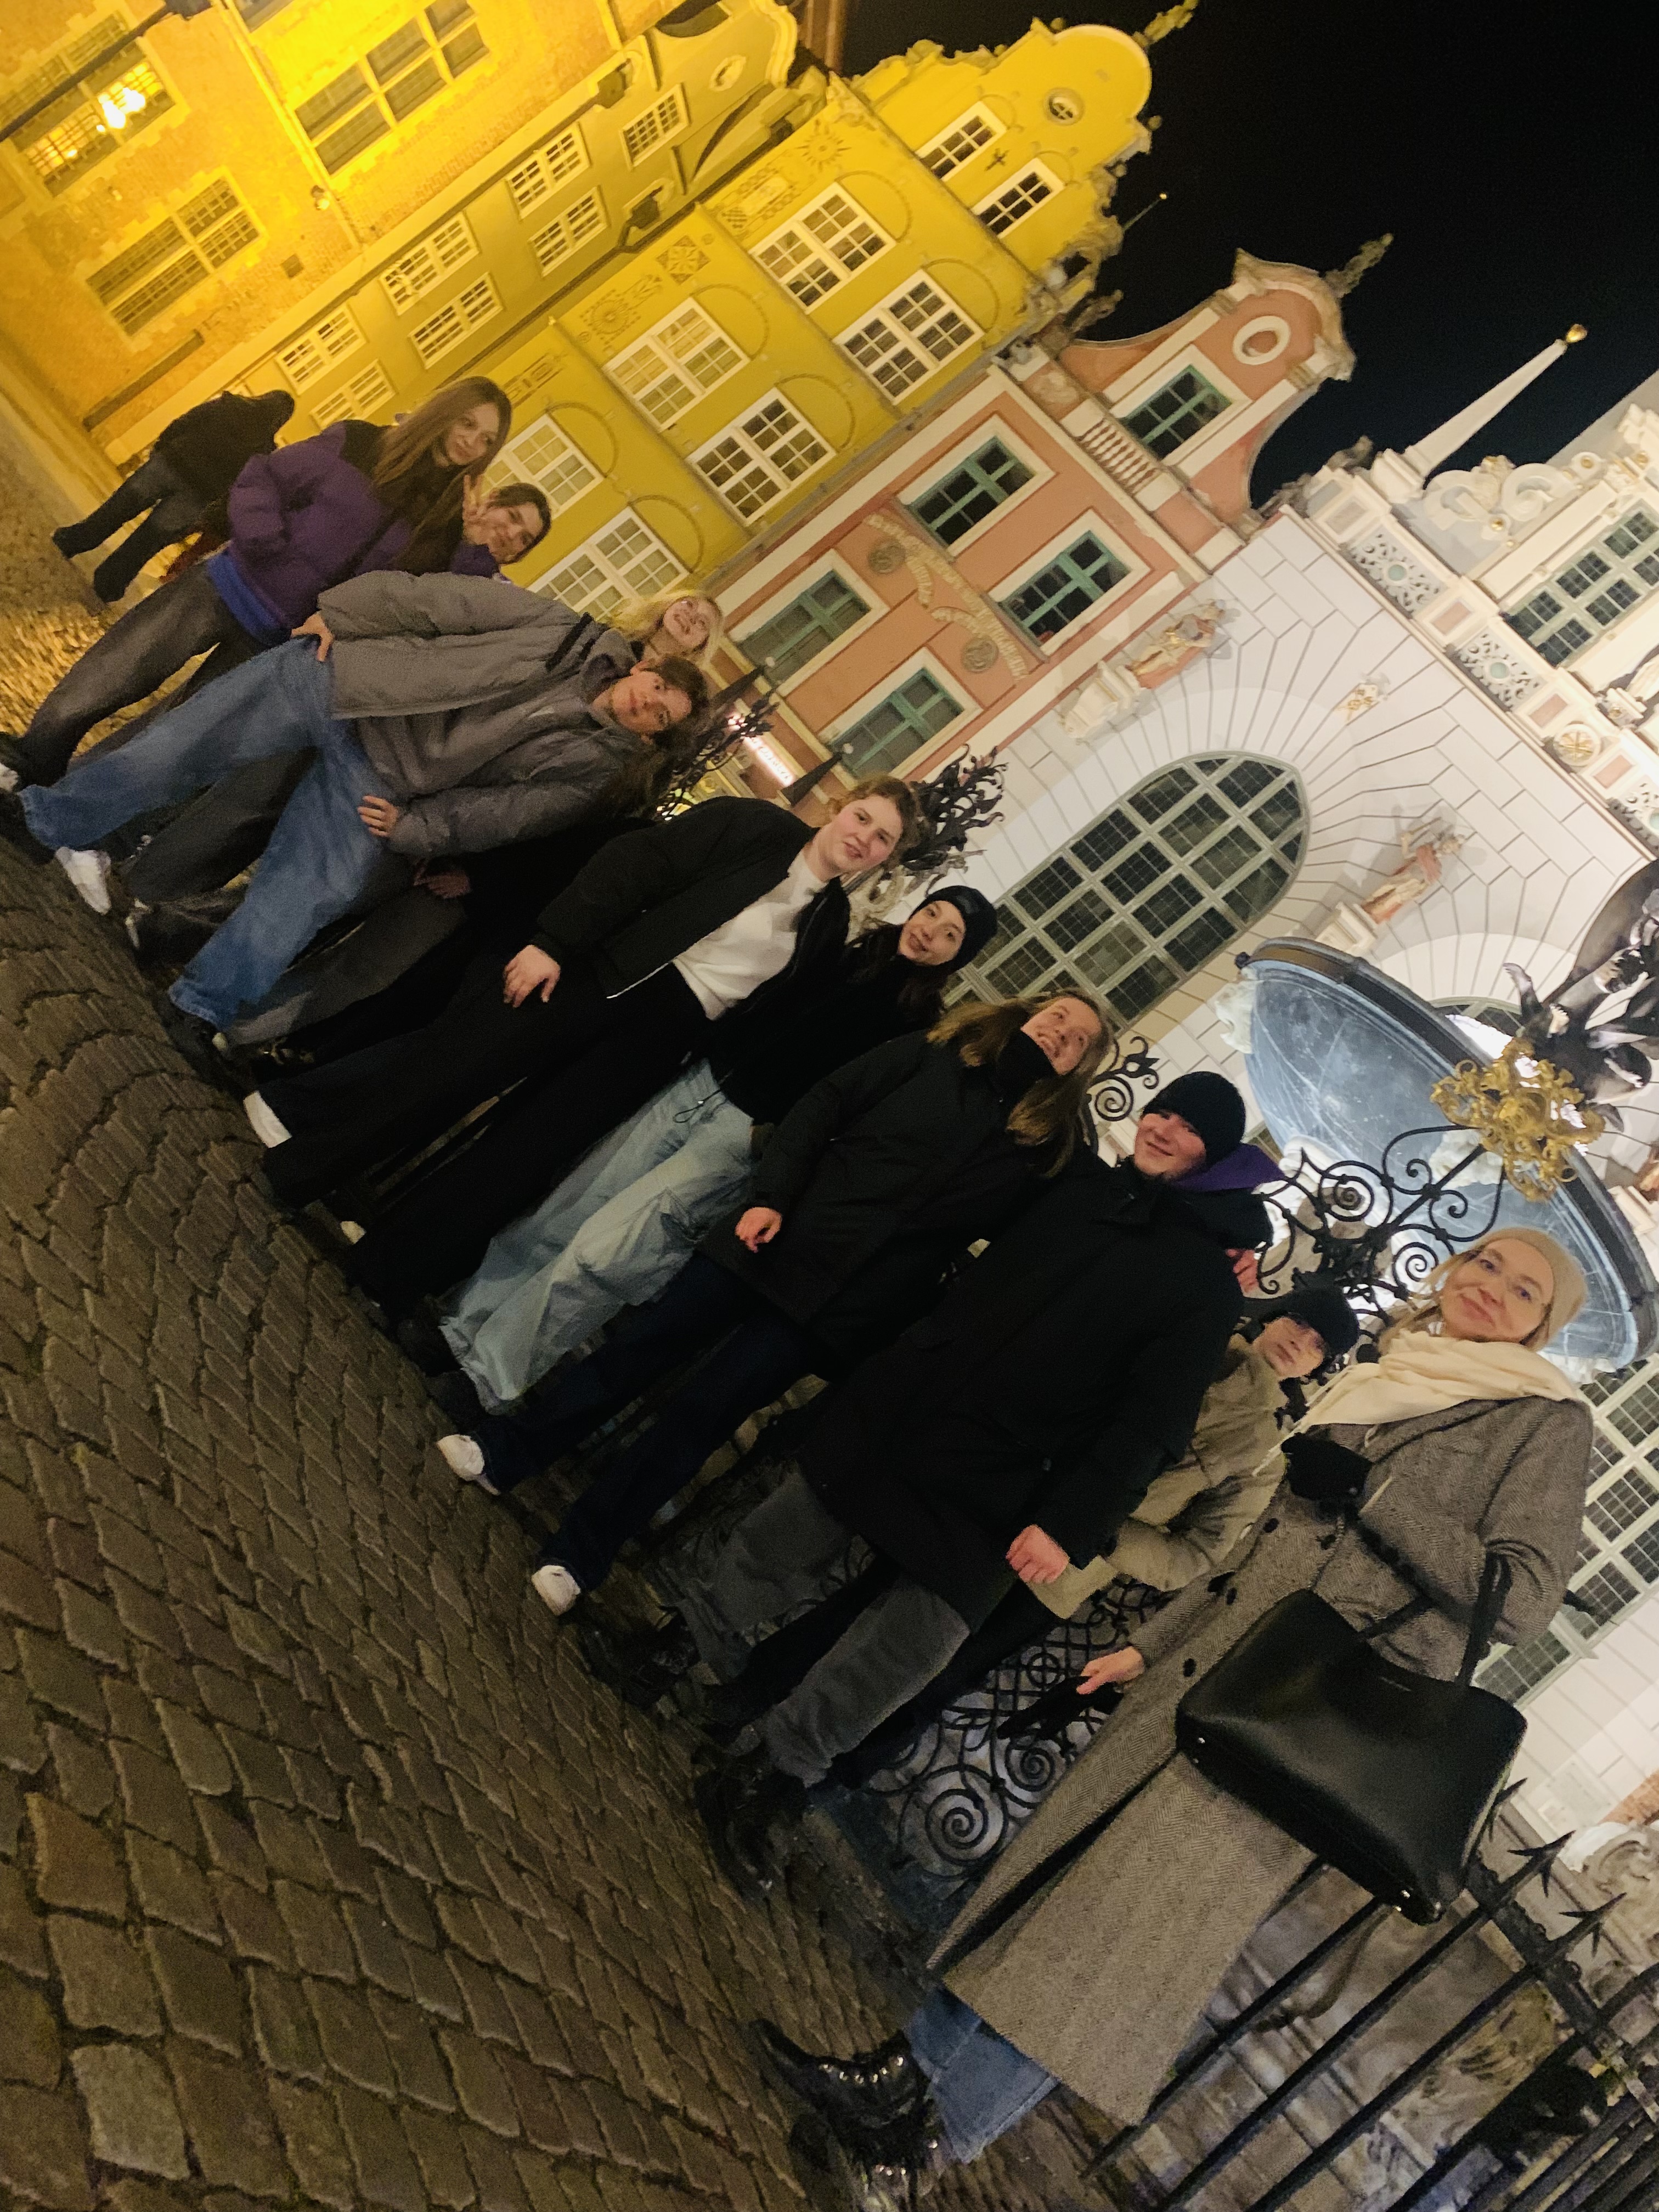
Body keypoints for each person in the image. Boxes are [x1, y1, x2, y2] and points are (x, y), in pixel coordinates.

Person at [749, 1227, 1593, 2207]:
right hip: (1209, 1672)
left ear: (1541, 1327)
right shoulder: (1398, 1370)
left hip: (1300, 1720)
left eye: (1522, 1290)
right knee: (1049, 1884)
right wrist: (1154, 1645)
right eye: (1486, 1264)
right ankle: (900, 2073)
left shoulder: (1541, 1420)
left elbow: (1521, 1597)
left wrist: (1379, 1493)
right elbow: (1269, 1547)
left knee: (1117, 1946)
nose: (1491, 1288)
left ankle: (927, 2142)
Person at [675, 1071, 1273, 1895]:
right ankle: (677, 1644)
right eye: (1161, 1110)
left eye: (1188, 1127)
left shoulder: (1207, 1284)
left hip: (1017, 1480)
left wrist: (1071, 1524)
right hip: (919, 1404)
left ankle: (772, 1774)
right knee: (788, 1535)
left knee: (910, 1649)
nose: (1163, 1129)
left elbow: (1153, 1422)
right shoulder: (1081, 1188)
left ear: (1217, 1157)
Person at [436, 992, 1108, 1618]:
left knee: (698, 1419)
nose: (1060, 1033)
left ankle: (580, 1554)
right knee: (633, 1355)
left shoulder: (1042, 1150)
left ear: (1079, 1071)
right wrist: (771, 1196)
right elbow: (826, 1103)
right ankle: (506, 1453)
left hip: (835, 1306)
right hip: (771, 1236)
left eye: (1078, 1040)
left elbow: (1063, 1227)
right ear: (1029, 1010)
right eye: (1058, 1015)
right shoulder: (936, 1053)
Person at [651, 1279, 1359, 1765]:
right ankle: (747, 1699)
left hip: (1059, 1573)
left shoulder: (1262, 1455)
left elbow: (1193, 1555)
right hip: (1003, 1511)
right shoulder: (1189, 1349)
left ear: (1317, 1369)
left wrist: (1100, 1530)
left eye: (1317, 1346)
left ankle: (795, 1776)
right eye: (1301, 1322)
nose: (1300, 1342)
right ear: (1278, 1314)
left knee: (928, 1681)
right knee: (858, 1611)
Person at [0, 571, 706, 1055]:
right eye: (656, 691)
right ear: (643, 669)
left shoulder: (594, 767)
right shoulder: (563, 630)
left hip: (385, 776)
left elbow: (510, 812)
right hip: (342, 683)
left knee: (310, 893)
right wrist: (340, 615)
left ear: (654, 737)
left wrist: (417, 830)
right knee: (177, 751)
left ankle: (200, 1004)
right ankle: (42, 821)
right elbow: (436, 602)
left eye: (661, 718)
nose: (647, 705)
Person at [247, 781, 919, 1276]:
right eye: (863, 817)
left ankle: (388, 1267)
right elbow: (636, 863)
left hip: (659, 1039)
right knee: (447, 1072)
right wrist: (554, 942)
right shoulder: (754, 828)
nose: (864, 837)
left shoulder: (828, 922)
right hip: (599, 976)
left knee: (526, 1152)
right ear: (841, 807)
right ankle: (303, 1170)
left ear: (886, 858)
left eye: (882, 838)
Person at [409, 886, 998, 1421]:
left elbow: (850, 1107)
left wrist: (769, 1140)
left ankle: (489, 1376)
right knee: (566, 1208)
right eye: (932, 913)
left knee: (606, 1253)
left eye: (950, 935)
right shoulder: (847, 950)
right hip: (699, 1084)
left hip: (741, 1136)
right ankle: (461, 1327)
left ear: (958, 957)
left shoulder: (918, 1029)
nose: (929, 932)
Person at [201, 593, 725, 1046]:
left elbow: (538, 822)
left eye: (704, 624)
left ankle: (239, 1028)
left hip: (464, 859)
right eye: (690, 606)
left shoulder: (636, 762)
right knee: (304, 898)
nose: (690, 621)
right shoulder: (589, 645)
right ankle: (198, 963)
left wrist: (473, 873)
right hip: (407, 795)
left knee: (364, 962)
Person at [0, 379, 515, 800]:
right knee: (117, 671)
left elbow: (429, 602)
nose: (472, 442)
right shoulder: (360, 443)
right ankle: (31, 759)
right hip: (229, 586)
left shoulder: (445, 524)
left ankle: (60, 802)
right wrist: (266, 543)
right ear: (445, 411)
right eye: (468, 423)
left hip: (279, 646)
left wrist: (472, 548)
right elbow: (264, 479)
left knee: (170, 734)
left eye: (487, 440)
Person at [50, 389, 297, 605]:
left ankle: (74, 540)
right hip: (197, 494)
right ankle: (109, 582)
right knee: (149, 539)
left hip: (171, 462)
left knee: (119, 507)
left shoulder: (229, 404)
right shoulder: (264, 450)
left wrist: (164, 444)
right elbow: (239, 484)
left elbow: (190, 419)